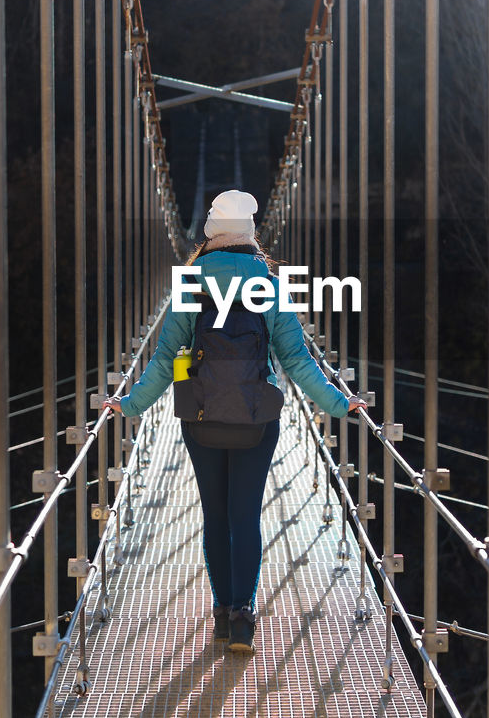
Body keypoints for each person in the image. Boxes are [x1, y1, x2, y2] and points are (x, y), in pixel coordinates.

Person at [104, 189, 366, 654]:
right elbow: (297, 359)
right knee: (245, 517)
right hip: (256, 418)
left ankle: (222, 613)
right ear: (250, 237)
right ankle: (243, 616)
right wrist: (339, 404)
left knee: (214, 515)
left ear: (210, 236)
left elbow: (166, 359)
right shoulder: (267, 282)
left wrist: (131, 404)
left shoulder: (191, 281)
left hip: (199, 414)